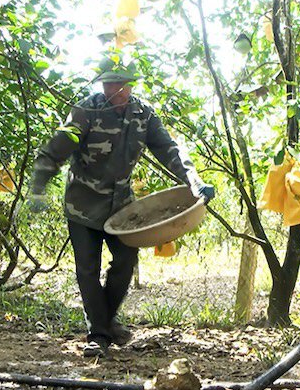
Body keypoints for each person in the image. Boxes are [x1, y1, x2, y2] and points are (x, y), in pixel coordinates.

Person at [28, 68, 215, 358]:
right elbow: (56, 148)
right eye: (108, 83)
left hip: (121, 207)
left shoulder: (143, 115)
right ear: (102, 84)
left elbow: (170, 150)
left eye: (120, 84)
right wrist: (38, 187)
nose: (114, 89)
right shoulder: (85, 111)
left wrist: (194, 180)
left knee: (126, 260)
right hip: (83, 205)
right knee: (87, 270)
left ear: (129, 85)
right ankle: (99, 335)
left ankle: (107, 322)